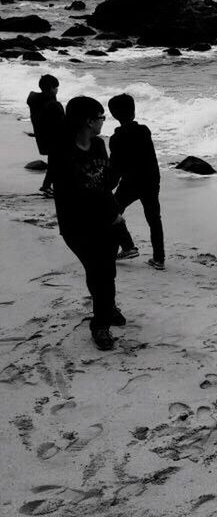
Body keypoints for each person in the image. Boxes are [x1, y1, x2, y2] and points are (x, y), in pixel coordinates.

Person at [48, 96, 126, 351]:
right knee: (99, 271)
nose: (104, 121)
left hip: (107, 219)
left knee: (105, 272)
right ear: (89, 121)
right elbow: (73, 195)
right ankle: (100, 325)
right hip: (77, 224)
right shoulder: (62, 152)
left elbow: (106, 184)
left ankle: (107, 307)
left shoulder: (99, 145)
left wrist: (120, 166)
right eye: (101, 117)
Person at [107, 93, 165, 270]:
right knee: (154, 218)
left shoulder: (116, 139)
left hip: (131, 181)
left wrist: (108, 186)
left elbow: (116, 167)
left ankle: (127, 246)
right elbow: (151, 158)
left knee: (112, 212)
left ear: (114, 115)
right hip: (151, 179)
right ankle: (159, 259)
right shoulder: (144, 131)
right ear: (133, 111)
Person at [26, 74, 65, 197]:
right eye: (56, 88)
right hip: (56, 139)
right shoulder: (53, 104)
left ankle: (47, 186)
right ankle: (50, 186)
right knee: (57, 163)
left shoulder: (35, 101)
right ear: (52, 88)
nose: (57, 90)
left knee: (54, 162)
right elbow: (63, 123)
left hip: (42, 137)